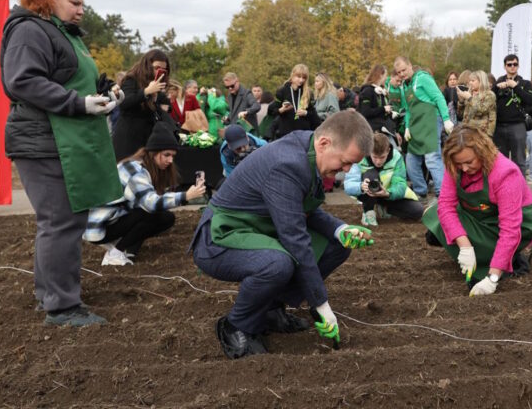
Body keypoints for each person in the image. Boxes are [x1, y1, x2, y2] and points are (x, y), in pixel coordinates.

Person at [189, 111, 375, 359]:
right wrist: (320, 304)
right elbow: (295, 239)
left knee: (336, 245)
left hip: (259, 229)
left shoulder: (309, 149)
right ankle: (236, 325)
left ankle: (270, 309)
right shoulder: (286, 165)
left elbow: (302, 210)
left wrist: (341, 230)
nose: (346, 170)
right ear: (324, 143)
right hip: (220, 238)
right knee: (278, 265)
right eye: (345, 162)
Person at [1, 0, 123, 326]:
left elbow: (71, 77)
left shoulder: (63, 34)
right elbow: (22, 80)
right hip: (42, 139)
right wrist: (78, 104)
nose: (82, 10)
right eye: (74, 2)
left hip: (61, 138)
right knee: (61, 220)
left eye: (83, 3)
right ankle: (62, 307)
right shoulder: (30, 30)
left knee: (59, 220)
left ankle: (50, 295)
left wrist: (105, 89)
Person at [422, 126, 532, 295]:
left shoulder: (505, 173)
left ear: (483, 153)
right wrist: (465, 246)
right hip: (480, 216)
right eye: (458, 163)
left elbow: (510, 229)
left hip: (514, 226)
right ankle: (480, 250)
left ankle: (508, 258)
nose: (464, 169)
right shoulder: (454, 166)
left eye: (469, 162)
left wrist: (493, 278)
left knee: (484, 261)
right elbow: (446, 206)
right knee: (436, 215)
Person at [84, 124, 206, 265]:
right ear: (153, 153)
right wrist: (185, 196)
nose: (170, 160)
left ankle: (124, 249)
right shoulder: (135, 170)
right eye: (166, 155)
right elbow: (151, 203)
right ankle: (116, 252)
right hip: (98, 227)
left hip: (113, 219)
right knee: (151, 213)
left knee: (164, 217)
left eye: (173, 156)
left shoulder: (145, 167)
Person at [394, 56, 454, 200]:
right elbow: (408, 109)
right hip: (416, 124)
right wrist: (407, 127)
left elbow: (438, 97)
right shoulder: (405, 86)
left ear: (410, 66)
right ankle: (420, 191)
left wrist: (446, 119)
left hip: (431, 120)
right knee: (411, 160)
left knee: (432, 158)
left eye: (404, 70)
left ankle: (442, 194)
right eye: (399, 72)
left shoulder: (422, 78)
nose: (402, 74)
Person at [344, 133, 423, 226]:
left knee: (417, 211)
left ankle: (383, 208)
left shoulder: (397, 157)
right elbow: (348, 185)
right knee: (371, 174)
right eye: (375, 157)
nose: (378, 161)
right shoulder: (359, 157)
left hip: (387, 195)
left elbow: (401, 184)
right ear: (369, 151)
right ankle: (368, 211)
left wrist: (388, 193)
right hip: (366, 195)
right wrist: (361, 186)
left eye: (382, 157)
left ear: (388, 151)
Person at [112, 49, 173, 161]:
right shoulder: (131, 79)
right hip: (129, 138)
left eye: (163, 70)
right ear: (147, 65)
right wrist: (146, 92)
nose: (159, 72)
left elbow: (167, 106)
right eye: (156, 68)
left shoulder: (158, 84)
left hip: (148, 139)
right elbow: (125, 103)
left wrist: (157, 100)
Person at [492, 54, 532, 175]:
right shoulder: (499, 81)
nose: (512, 67)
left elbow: (530, 101)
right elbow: (489, 99)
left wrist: (515, 86)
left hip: (517, 126)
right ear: (505, 66)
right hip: (499, 126)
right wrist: (496, 88)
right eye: (509, 64)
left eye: (515, 64)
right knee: (500, 161)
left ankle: (521, 190)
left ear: (518, 65)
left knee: (519, 161)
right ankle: (503, 189)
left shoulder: (525, 83)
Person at [457, 70, 496, 138]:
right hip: (467, 132)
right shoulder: (469, 93)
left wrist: (470, 98)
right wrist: (461, 101)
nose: (470, 83)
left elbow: (482, 110)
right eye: (470, 81)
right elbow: (460, 115)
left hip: (482, 133)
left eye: (473, 81)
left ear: (481, 81)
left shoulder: (489, 95)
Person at [358, 64, 395, 135]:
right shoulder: (367, 91)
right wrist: (383, 109)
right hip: (372, 130)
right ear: (380, 75)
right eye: (385, 75)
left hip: (383, 128)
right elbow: (365, 112)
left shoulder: (382, 92)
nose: (386, 78)